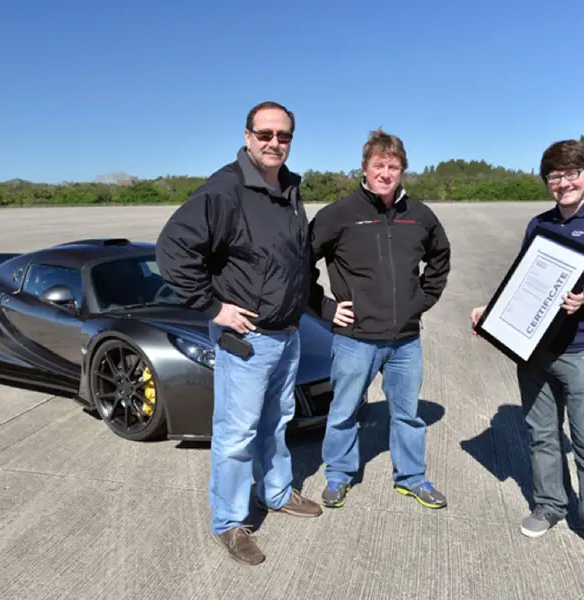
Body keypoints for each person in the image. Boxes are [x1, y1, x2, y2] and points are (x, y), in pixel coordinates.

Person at [155, 100, 322, 566]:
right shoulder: (224, 190)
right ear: (248, 136)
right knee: (237, 432)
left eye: (283, 136)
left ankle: (276, 491)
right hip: (249, 339)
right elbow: (172, 251)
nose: (274, 143)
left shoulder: (288, 189)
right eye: (265, 134)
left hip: (288, 333)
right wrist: (213, 307)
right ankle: (228, 522)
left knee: (277, 421)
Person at [470, 139, 584, 575]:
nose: (563, 183)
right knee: (542, 434)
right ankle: (550, 505)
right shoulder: (540, 223)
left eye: (571, 174)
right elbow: (524, 285)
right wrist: (491, 314)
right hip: (534, 350)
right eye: (554, 176)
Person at [308, 128, 451, 510]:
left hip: (406, 340)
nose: (386, 173)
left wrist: (420, 301)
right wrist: (324, 307)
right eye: (379, 166)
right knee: (343, 411)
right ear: (365, 168)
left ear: (402, 169)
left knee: (407, 415)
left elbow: (439, 259)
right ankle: (339, 474)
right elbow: (300, 264)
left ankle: (412, 477)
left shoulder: (419, 215)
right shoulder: (339, 214)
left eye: (393, 166)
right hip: (355, 339)